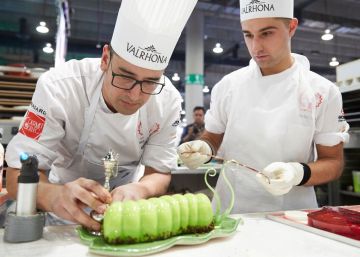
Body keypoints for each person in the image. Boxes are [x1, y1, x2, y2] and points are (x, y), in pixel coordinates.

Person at [5, 0, 197, 230]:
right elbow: (17, 174)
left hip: (125, 216)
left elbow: (159, 172)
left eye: (150, 82)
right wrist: (55, 196)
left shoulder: (168, 101)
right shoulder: (61, 87)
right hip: (59, 217)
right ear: (105, 59)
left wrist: (140, 189)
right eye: (125, 77)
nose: (135, 95)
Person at [178, 0, 349, 213]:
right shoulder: (228, 86)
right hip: (230, 212)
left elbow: (333, 163)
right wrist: (203, 149)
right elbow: (212, 138)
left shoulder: (322, 91)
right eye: (248, 35)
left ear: (291, 27)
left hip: (293, 214)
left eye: (267, 33)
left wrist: (297, 173)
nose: (256, 47)